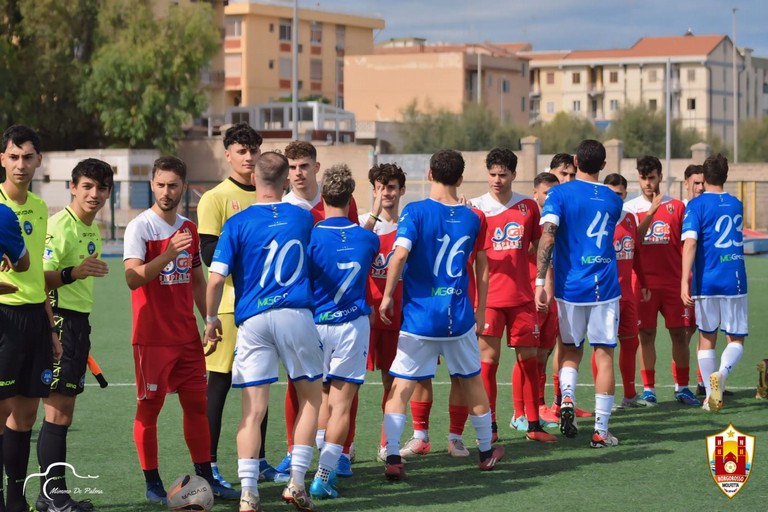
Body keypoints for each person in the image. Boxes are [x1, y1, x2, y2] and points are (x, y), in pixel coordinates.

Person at [204, 152, 324, 512]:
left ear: (254, 179)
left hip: (252, 321)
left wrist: (210, 320)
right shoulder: (303, 218)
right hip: (295, 315)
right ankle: (297, 483)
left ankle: (248, 494)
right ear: (286, 180)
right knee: (312, 400)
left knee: (252, 412)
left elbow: (214, 280)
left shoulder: (237, 223)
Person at [379, 149, 504, 480]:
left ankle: (393, 457)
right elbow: (483, 267)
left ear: (430, 174)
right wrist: (479, 310)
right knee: (471, 381)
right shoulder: (474, 217)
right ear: (461, 179)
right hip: (458, 317)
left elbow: (400, 255)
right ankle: (485, 452)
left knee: (401, 387)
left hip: (420, 318)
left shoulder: (415, 211)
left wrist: (388, 295)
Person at [123, 156, 238, 505]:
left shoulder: (188, 227)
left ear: (184, 187)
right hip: (152, 339)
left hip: (187, 338)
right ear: (152, 185)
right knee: (149, 410)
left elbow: (198, 279)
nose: (166, 191)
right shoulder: (140, 227)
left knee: (197, 407)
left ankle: (205, 477)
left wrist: (209, 318)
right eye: (160, 184)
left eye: (173, 185)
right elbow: (131, 277)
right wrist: (166, 255)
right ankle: (153, 482)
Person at [197, 123, 281, 486]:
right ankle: (210, 464)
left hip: (265, 306)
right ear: (227, 154)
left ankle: (259, 460)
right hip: (230, 306)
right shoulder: (215, 198)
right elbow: (207, 252)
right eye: (241, 151)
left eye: (253, 150)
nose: (248, 157)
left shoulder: (274, 196)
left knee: (258, 385)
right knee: (218, 385)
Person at [535, 139, 623, 448]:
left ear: (575, 161)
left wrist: (539, 281)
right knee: (604, 355)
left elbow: (548, 237)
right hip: (605, 287)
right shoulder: (614, 200)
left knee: (570, 350)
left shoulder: (558, 194)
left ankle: (567, 398)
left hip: (569, 286)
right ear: (603, 165)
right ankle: (601, 430)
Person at [279, 141, 360, 478]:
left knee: (343, 383)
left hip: (340, 309)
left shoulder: (342, 203)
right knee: (297, 382)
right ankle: (292, 449)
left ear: (316, 167)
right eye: (292, 167)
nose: (298, 173)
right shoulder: (282, 208)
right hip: (302, 308)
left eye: (304, 166)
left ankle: (342, 451)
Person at [37, 159, 113, 512]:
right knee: (55, 413)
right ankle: (52, 497)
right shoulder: (59, 226)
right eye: (87, 187)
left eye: (100, 188)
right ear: (72, 187)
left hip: (78, 324)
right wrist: (74, 272)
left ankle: (51, 495)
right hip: (61, 323)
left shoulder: (91, 228)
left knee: (63, 414)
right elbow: (40, 281)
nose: (93, 194)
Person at [471, 148, 556, 443]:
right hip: (490, 300)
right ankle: (490, 427)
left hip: (522, 298)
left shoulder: (528, 207)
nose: (497, 180)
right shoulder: (476, 208)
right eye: (492, 174)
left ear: (513, 175)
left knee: (529, 361)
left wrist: (540, 283)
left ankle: (533, 425)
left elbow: (539, 248)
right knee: (488, 363)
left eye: (503, 174)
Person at [0, 125, 62, 512]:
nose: (21, 165)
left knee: (24, 417)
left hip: (35, 322)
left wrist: (51, 327)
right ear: (2, 160)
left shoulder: (40, 208)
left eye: (28, 157)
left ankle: (15, 499)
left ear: (38, 160)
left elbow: (35, 274)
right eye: (13, 157)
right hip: (2, 320)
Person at [307, 164, 379, 500]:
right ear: (351, 198)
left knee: (321, 398)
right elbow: (360, 237)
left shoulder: (310, 235)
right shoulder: (368, 238)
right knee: (341, 404)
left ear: (323, 197)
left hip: (317, 324)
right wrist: (375, 212)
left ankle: (316, 464)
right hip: (352, 326)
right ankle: (325, 474)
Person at [624, 156, 700, 407]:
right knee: (646, 334)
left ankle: (683, 387)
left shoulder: (677, 207)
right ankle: (649, 389)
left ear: (660, 177)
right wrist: (652, 210)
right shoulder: (630, 209)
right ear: (638, 177)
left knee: (680, 334)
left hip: (672, 283)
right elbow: (633, 241)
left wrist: (685, 281)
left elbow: (686, 243)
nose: (648, 183)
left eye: (652, 177)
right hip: (643, 285)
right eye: (644, 178)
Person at [681, 153, 747, 413]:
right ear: (726, 176)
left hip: (707, 281)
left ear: (704, 178)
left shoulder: (696, 206)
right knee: (736, 339)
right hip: (735, 279)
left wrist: (685, 281)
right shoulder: (736, 203)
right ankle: (722, 373)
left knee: (707, 338)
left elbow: (690, 244)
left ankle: (710, 397)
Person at [600, 173, 650, 410]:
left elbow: (637, 255)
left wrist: (644, 281)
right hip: (606, 295)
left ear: (625, 193)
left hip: (628, 295)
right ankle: (604, 400)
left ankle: (629, 395)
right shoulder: (599, 219)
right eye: (610, 193)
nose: (615, 197)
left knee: (630, 344)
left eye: (619, 193)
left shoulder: (629, 218)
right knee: (603, 348)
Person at [530, 172, 562, 424]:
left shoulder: (561, 217)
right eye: (545, 192)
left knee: (547, 350)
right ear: (536, 193)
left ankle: (548, 404)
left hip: (558, 290)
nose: (549, 197)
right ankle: (532, 408)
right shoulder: (531, 219)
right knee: (533, 353)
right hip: (534, 291)